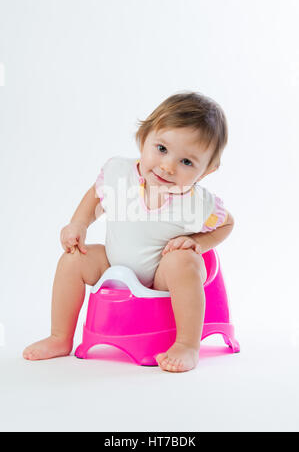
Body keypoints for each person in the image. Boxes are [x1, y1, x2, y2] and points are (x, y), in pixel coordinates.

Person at [23, 91, 234, 372]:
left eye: (186, 162)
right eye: (161, 149)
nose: (168, 166)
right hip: (114, 263)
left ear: (207, 171)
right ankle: (60, 337)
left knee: (184, 260)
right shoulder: (120, 174)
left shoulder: (196, 203)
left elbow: (228, 223)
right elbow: (96, 196)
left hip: (161, 276)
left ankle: (186, 344)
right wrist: (79, 224)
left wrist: (197, 242)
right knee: (72, 259)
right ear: (143, 138)